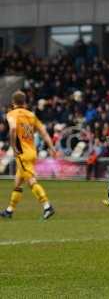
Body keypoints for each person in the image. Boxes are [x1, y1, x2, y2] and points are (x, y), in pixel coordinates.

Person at [0, 90, 56, 220]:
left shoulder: (11, 114)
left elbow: (13, 128)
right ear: (24, 102)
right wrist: (52, 148)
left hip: (21, 153)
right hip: (32, 151)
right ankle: (9, 210)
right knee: (18, 183)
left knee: (31, 181)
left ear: (13, 102)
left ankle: (47, 206)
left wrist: (13, 147)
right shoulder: (31, 115)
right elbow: (44, 132)